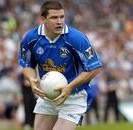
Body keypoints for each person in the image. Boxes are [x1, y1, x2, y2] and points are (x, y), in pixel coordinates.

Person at [18, 1, 102, 130]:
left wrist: (69, 87)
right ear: (43, 19)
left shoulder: (76, 38)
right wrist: (32, 80)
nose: (59, 21)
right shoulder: (31, 38)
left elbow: (94, 67)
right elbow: (27, 64)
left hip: (74, 95)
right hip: (48, 95)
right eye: (54, 17)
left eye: (62, 17)